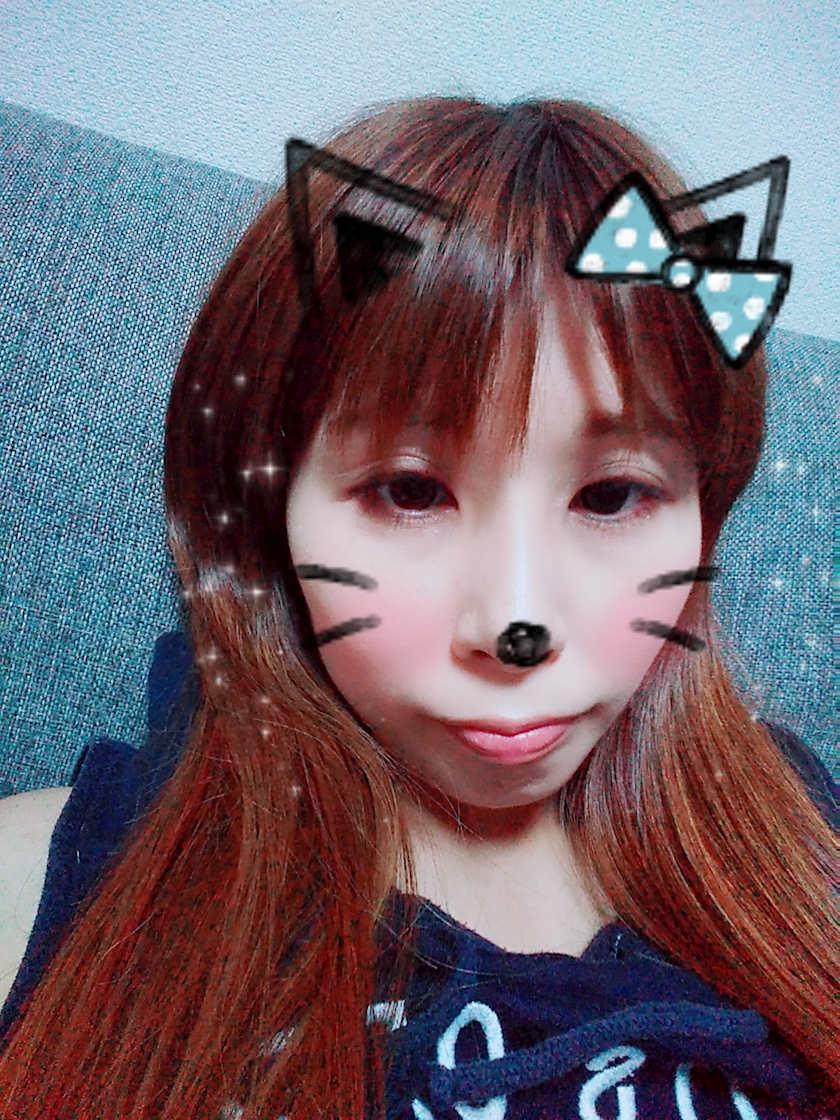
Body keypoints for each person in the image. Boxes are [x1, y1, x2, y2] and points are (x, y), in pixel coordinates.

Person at [0, 97, 836, 1119]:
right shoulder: (51, 888)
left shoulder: (804, 842)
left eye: (614, 496)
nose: (516, 627)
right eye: (409, 491)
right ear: (267, 513)